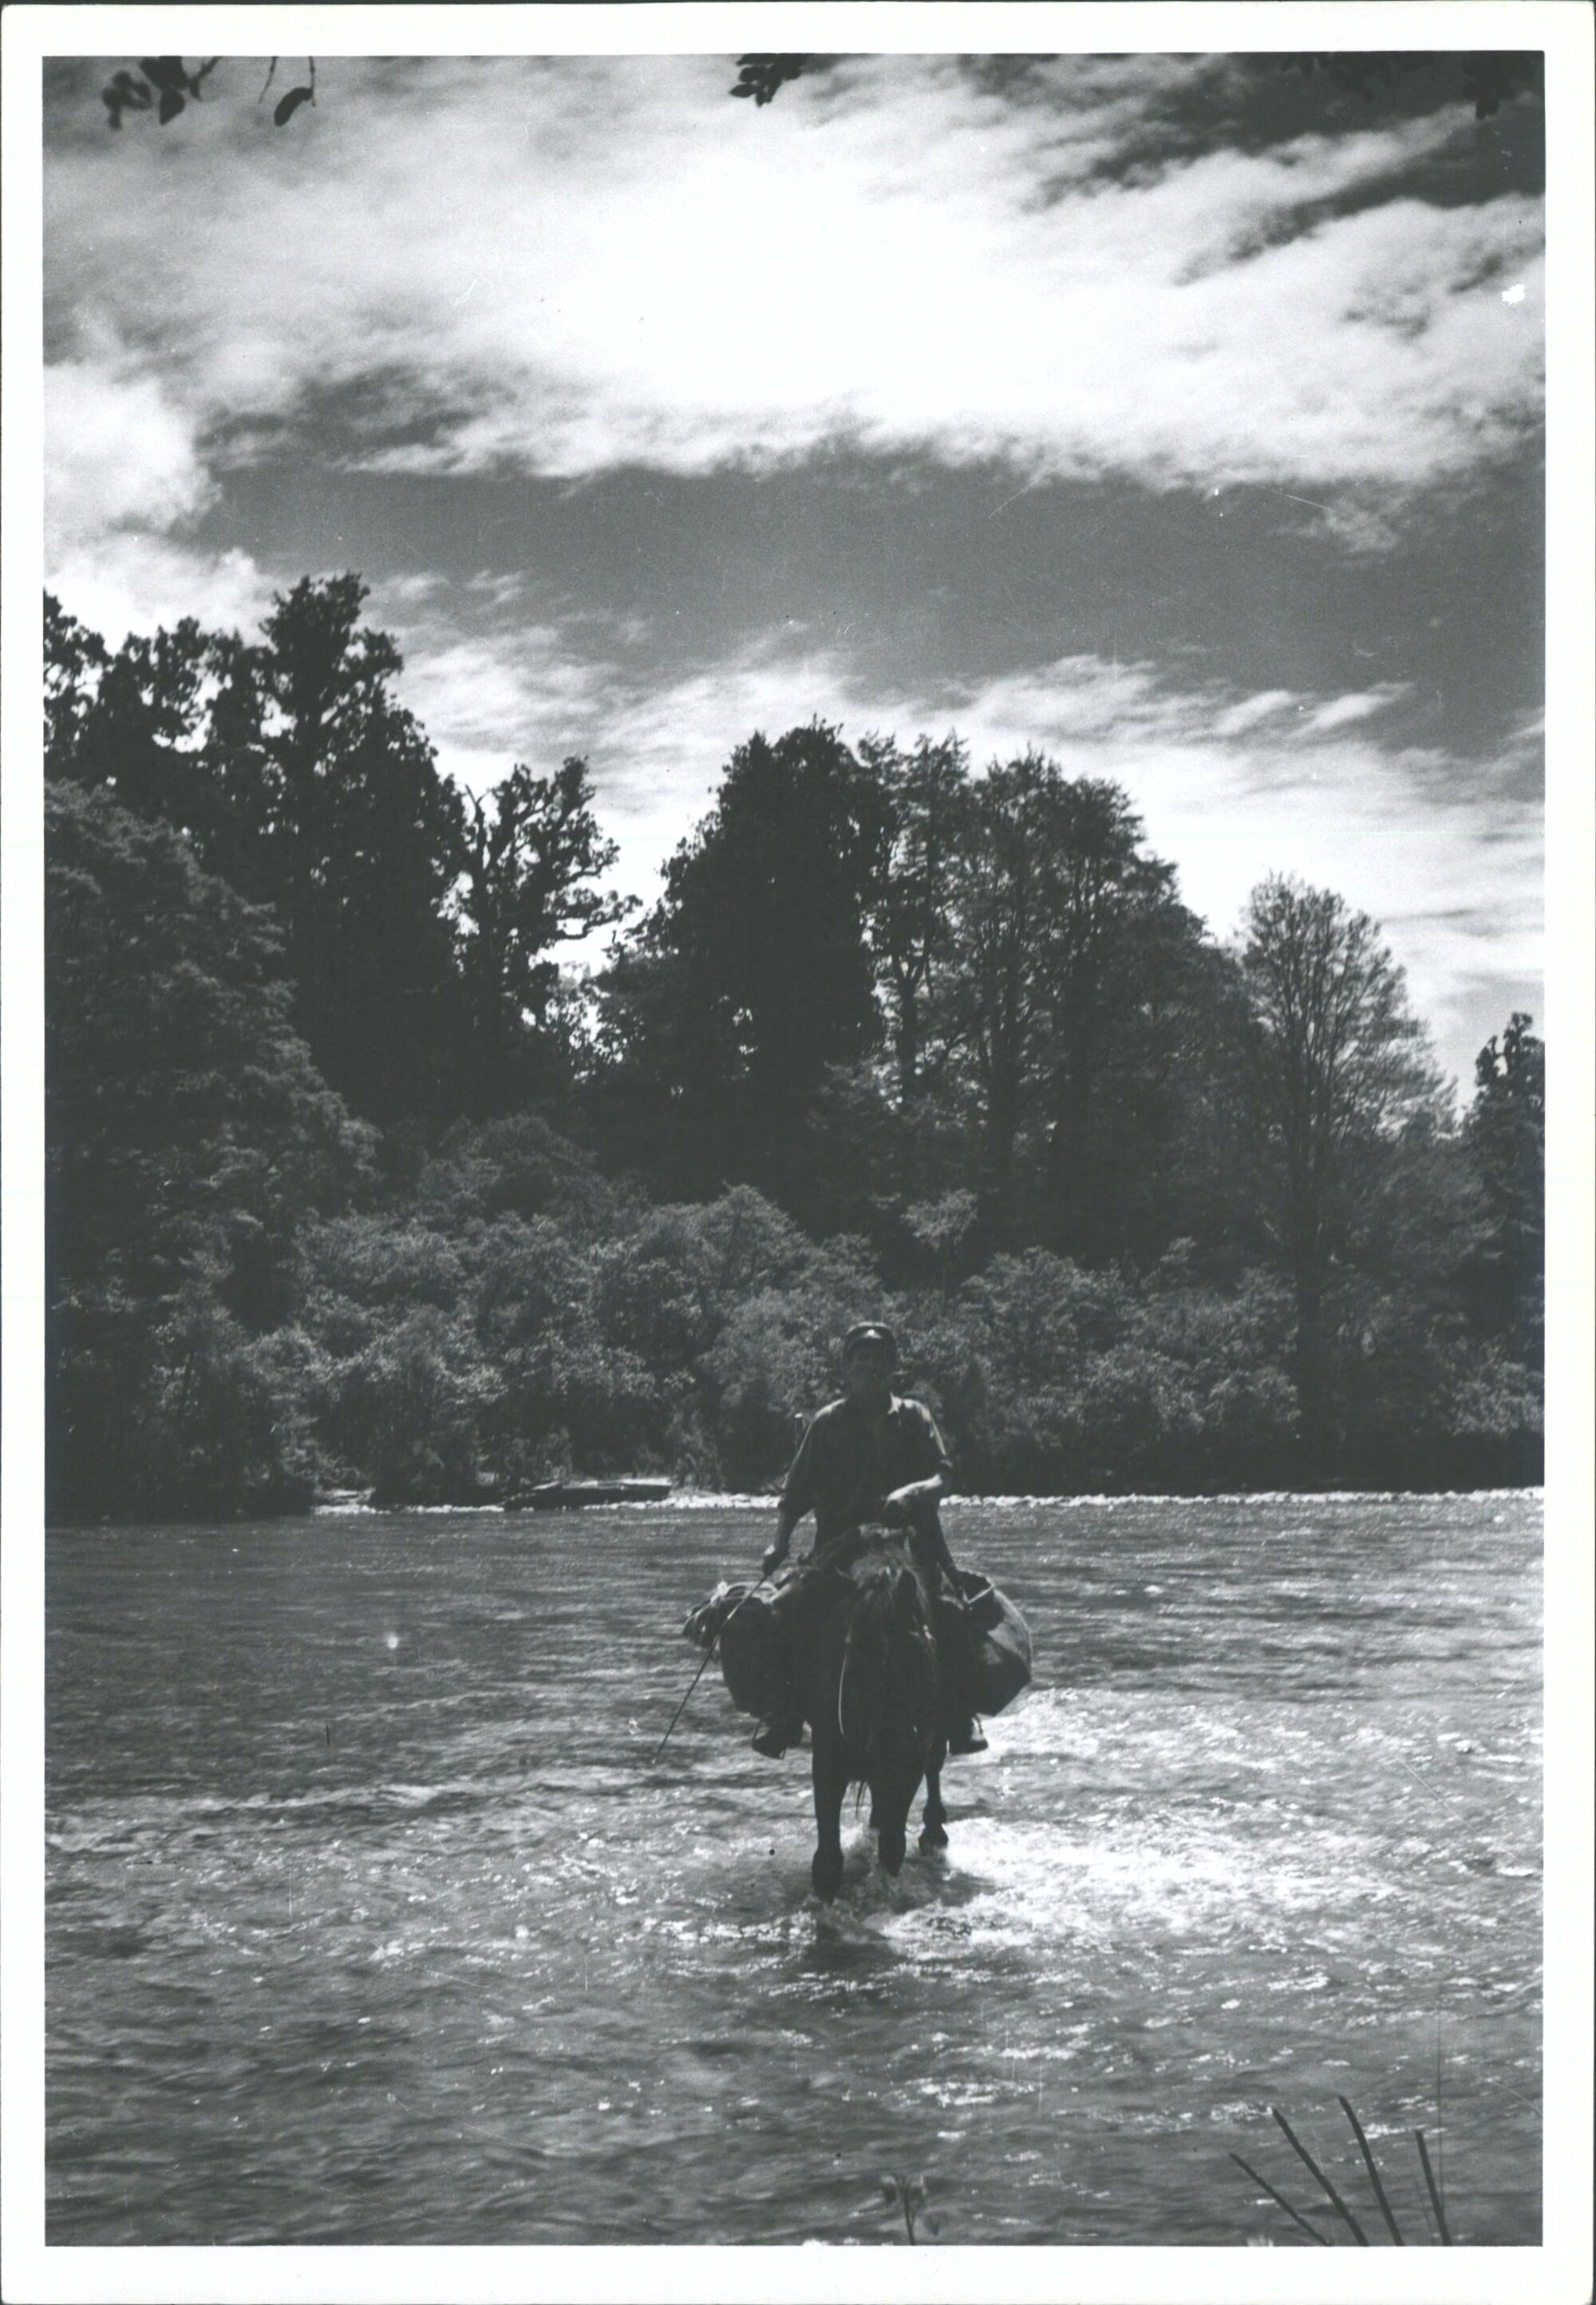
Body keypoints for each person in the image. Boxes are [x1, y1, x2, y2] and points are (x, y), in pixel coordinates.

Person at [751, 1322, 988, 1759]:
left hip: (908, 1547)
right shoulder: (827, 1423)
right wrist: (778, 1544)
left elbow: (945, 1476)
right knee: (786, 1611)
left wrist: (912, 1492)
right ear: (848, 1367)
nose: (870, 1367)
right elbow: (795, 1493)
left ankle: (959, 1716)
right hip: (840, 1550)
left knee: (953, 1612)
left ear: (892, 1367)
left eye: (878, 1360)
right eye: (861, 1360)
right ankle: (782, 1713)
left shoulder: (915, 1417)